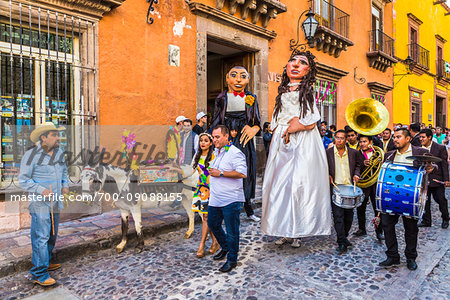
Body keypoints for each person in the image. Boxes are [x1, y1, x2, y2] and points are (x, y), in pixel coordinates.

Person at [261, 50, 331, 248]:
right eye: (292, 61)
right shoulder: (282, 92)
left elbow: (312, 119)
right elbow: (277, 118)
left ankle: (297, 230)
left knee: (297, 186)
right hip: (282, 142)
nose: (295, 65)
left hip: (302, 142)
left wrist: (297, 125)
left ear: (308, 71)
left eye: (301, 63)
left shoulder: (307, 92)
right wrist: (277, 134)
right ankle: (282, 229)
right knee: (278, 187)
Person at [18, 122, 69, 286]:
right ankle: (38, 273)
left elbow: (65, 171)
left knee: (52, 234)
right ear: (43, 137)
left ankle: (45, 262)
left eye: (57, 134)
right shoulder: (31, 155)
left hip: (55, 202)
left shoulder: (59, 152)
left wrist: (65, 185)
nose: (57, 138)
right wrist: (41, 190)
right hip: (40, 203)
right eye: (53, 135)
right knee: (41, 236)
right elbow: (23, 180)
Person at [210, 66, 261, 222]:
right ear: (227, 78)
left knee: (244, 172)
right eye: (234, 75)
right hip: (227, 141)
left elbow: (257, 122)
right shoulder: (221, 98)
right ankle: (226, 209)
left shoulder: (251, 97)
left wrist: (254, 129)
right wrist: (224, 134)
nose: (238, 79)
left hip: (244, 142)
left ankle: (249, 210)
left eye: (243, 76)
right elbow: (216, 122)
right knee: (225, 171)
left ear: (248, 79)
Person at [379, 128, 432, 271]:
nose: (395, 139)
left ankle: (410, 257)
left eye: (398, 137)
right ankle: (392, 256)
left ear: (408, 139)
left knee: (411, 229)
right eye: (394, 137)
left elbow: (434, 165)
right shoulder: (389, 155)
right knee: (387, 225)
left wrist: (431, 168)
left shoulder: (419, 152)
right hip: (390, 197)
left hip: (410, 198)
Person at [207, 125, 247, 272]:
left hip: (231, 198)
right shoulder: (216, 152)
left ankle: (232, 259)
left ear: (226, 137)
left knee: (232, 231)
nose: (214, 140)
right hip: (216, 198)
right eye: (213, 137)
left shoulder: (235, 153)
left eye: (217, 137)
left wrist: (221, 173)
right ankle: (225, 247)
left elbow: (242, 173)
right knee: (213, 224)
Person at [326, 130, 361, 254]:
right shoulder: (328, 152)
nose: (339, 140)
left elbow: (358, 165)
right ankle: (341, 241)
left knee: (349, 217)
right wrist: (327, 175)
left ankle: (344, 236)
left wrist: (357, 174)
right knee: (338, 216)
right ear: (334, 139)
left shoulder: (354, 153)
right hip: (336, 189)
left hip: (350, 188)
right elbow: (324, 167)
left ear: (346, 140)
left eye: (342, 138)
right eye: (337, 138)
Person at [191, 132, 220, 258]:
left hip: (211, 190)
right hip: (201, 190)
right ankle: (215, 242)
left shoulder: (214, 156)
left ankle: (202, 244)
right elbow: (190, 171)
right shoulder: (197, 156)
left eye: (206, 140)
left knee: (207, 218)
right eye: (201, 140)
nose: (203, 142)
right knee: (207, 218)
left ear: (211, 143)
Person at [354, 135, 384, 241]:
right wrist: (362, 164)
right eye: (361, 141)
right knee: (360, 208)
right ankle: (362, 228)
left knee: (378, 208)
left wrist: (380, 163)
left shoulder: (377, 153)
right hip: (363, 184)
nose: (362, 144)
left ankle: (379, 231)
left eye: (365, 141)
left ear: (370, 142)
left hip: (375, 184)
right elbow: (353, 167)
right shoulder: (357, 153)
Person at [418, 128, 449, 229]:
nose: (421, 139)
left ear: (430, 137)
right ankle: (426, 220)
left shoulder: (440, 148)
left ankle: (445, 218)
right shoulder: (417, 148)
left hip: (437, 179)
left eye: (423, 137)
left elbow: (444, 165)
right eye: (420, 137)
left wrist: (447, 179)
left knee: (440, 199)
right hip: (423, 180)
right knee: (425, 201)